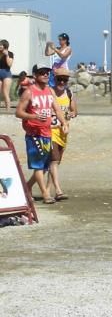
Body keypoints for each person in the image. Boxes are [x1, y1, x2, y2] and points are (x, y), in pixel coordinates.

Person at [15, 66, 67, 204]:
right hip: (33, 134)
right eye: (42, 73)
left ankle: (27, 187)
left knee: (44, 166)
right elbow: (18, 112)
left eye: (47, 73)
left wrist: (64, 123)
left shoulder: (49, 91)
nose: (45, 75)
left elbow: (56, 108)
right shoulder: (29, 92)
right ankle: (45, 194)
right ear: (35, 76)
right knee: (38, 166)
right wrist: (34, 116)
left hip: (47, 133)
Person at [47, 68, 77, 200]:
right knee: (53, 161)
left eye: (65, 80)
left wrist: (72, 114)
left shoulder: (69, 93)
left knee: (55, 163)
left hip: (63, 132)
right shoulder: (49, 92)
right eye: (59, 79)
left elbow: (75, 110)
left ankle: (42, 189)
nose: (62, 82)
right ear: (55, 79)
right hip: (50, 131)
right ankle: (58, 191)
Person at [0, 40, 14, 110]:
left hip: (6, 73)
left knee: (5, 93)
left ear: (5, 46)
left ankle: (8, 110)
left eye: (1, 45)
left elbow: (9, 64)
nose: (0, 46)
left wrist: (6, 55)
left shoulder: (10, 53)